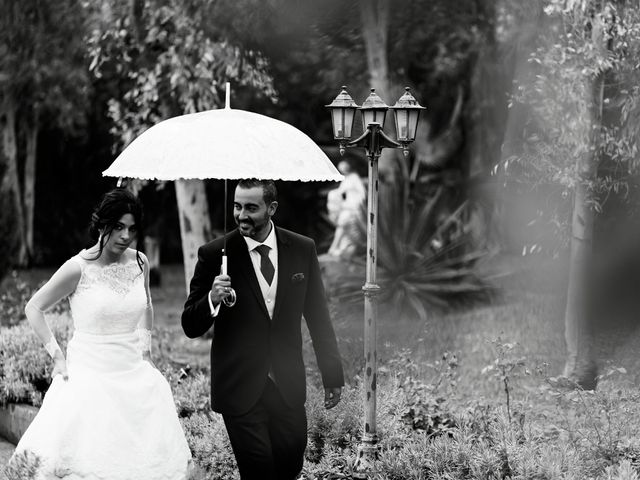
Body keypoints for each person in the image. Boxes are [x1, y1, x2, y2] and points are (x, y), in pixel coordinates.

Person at [7, 188, 192, 479]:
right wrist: (57, 356)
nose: (125, 236)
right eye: (118, 227)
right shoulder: (77, 268)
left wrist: (146, 350)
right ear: (102, 225)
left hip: (133, 370)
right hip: (90, 374)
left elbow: (147, 305)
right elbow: (34, 307)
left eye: (131, 228)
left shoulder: (140, 263)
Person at [181, 179, 344, 480]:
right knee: (258, 471)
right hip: (240, 387)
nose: (242, 214)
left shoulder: (302, 249)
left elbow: (319, 317)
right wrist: (211, 299)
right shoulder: (214, 254)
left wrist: (332, 373)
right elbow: (190, 324)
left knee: (290, 464)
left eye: (251, 208)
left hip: (287, 384)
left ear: (272, 208)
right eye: (237, 206)